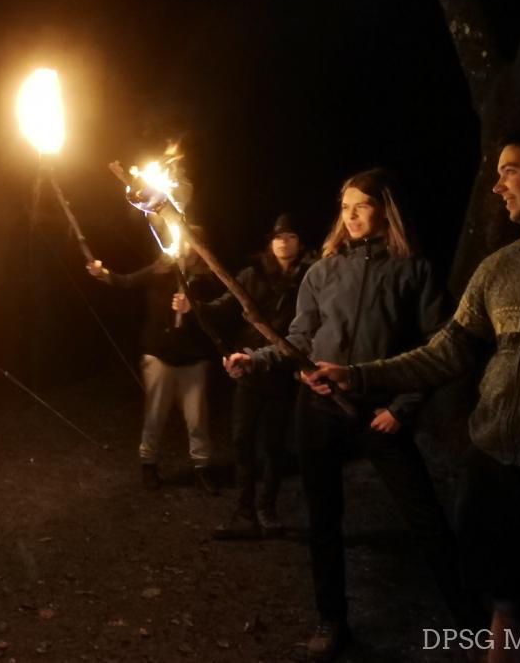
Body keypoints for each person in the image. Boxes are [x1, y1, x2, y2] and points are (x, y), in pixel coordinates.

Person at [310, 122, 520, 653]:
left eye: (510, 171)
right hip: (496, 468)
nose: (497, 186)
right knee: (506, 604)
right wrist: (358, 374)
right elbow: (446, 351)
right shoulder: (499, 268)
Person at [225, 168, 473, 660]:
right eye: (345, 207)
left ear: (386, 209)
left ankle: (472, 625)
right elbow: (299, 339)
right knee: (324, 519)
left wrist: (403, 408)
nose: (351, 215)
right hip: (319, 409)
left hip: (379, 410)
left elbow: (437, 347)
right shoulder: (323, 271)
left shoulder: (414, 270)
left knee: (426, 520)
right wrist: (256, 360)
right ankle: (332, 619)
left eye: (362, 205)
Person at [186, 213, 314, 538]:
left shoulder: (310, 277)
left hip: (283, 372)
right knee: (242, 442)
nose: (284, 242)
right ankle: (245, 511)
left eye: (291, 237)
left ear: (300, 243)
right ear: (270, 243)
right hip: (248, 368)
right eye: (278, 237)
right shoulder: (251, 274)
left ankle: (266, 509)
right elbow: (221, 306)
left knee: (273, 445)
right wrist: (194, 305)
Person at [88, 239, 222, 492]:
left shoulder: (209, 279)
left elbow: (220, 311)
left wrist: (193, 306)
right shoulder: (159, 271)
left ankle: (202, 467)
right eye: (181, 241)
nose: (185, 246)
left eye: (190, 242)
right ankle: (148, 464)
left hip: (194, 358)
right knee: (155, 414)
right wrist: (102, 273)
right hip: (160, 354)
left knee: (197, 418)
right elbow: (125, 281)